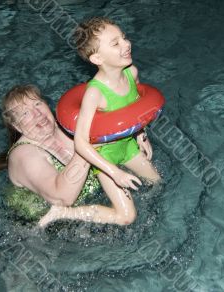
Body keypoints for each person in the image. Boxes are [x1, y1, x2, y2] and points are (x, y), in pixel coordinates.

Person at [0, 85, 144, 227]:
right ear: (17, 126)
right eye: (25, 113)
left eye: (37, 104)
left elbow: (112, 118)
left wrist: (138, 132)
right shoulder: (24, 155)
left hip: (89, 207)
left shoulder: (67, 124)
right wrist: (89, 144)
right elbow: (62, 198)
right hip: (46, 228)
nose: (37, 113)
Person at [72, 17, 161, 216]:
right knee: (127, 217)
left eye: (124, 37)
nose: (127, 43)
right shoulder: (95, 94)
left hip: (127, 144)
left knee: (157, 183)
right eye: (116, 43)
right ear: (97, 59)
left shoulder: (132, 73)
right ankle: (62, 212)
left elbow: (136, 109)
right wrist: (114, 172)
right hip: (105, 155)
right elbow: (80, 142)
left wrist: (141, 134)